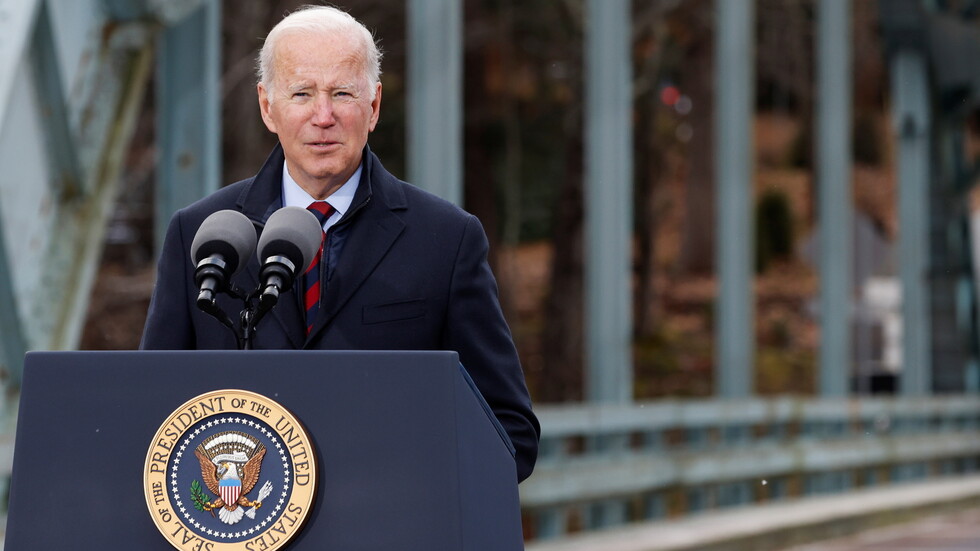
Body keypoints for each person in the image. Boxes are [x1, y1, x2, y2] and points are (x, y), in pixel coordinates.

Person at [140, 5, 539, 482]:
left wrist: (407, 486)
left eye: (342, 93)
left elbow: (509, 433)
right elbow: (152, 417)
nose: (323, 116)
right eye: (302, 93)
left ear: (373, 107)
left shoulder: (447, 239)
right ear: (268, 107)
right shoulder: (202, 234)